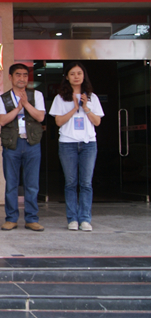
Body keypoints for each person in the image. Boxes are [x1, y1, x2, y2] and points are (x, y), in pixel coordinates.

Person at [49, 62, 103, 232]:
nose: (76, 76)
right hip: (68, 143)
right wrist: (74, 108)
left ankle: (85, 219)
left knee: (86, 183)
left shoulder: (92, 97)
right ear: (67, 77)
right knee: (71, 182)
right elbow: (58, 121)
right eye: (72, 74)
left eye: (79, 73)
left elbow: (97, 122)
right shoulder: (60, 98)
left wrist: (85, 107)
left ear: (83, 75)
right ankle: (72, 218)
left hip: (88, 144)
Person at [0, 64, 46, 232]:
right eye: (18, 75)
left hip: (32, 143)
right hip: (12, 144)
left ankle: (31, 219)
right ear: (10, 77)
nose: (22, 78)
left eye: (25, 75)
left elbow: (40, 117)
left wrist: (26, 104)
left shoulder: (36, 95)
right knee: (11, 183)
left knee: (32, 184)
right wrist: (18, 108)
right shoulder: (3, 98)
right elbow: (2, 120)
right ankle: (11, 218)